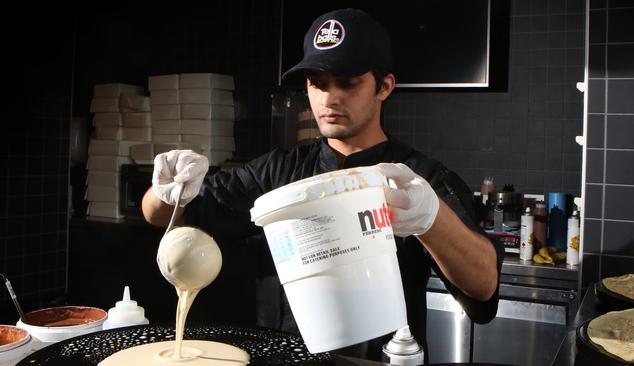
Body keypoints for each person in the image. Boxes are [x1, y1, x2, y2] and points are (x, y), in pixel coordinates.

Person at [142, 8, 503, 362]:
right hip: (284, 357)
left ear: (385, 87)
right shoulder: (278, 170)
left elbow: (484, 288)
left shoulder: (416, 178)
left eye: (347, 83)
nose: (329, 98)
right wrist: (166, 189)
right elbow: (163, 216)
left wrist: (431, 218)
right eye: (318, 83)